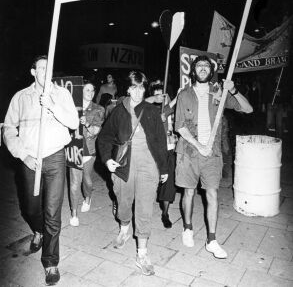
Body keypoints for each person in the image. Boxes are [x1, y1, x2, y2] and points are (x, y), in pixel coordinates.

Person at [3, 55, 79, 286]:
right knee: (30, 206)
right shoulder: (21, 97)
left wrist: (53, 106)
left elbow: (74, 123)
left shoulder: (62, 94)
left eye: (49, 68)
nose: (45, 71)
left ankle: (51, 262)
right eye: (41, 68)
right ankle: (37, 230)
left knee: (52, 212)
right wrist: (23, 155)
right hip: (29, 159)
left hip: (55, 157)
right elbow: (8, 128)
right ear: (33, 72)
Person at [175, 55, 253, 259]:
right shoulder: (184, 95)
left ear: (211, 71)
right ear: (193, 71)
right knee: (189, 193)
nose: (202, 68)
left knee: (212, 195)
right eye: (199, 65)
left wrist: (233, 89)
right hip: (189, 154)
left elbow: (248, 109)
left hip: (212, 154)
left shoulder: (219, 93)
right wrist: (199, 145)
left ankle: (212, 240)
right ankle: (188, 228)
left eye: (206, 66)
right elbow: (180, 126)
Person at [98, 71, 168, 276]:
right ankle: (124, 228)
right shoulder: (118, 111)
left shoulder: (151, 111)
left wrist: (163, 168)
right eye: (134, 87)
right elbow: (104, 138)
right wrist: (107, 159)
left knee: (145, 208)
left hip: (148, 165)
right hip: (123, 165)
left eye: (141, 87)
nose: (138, 92)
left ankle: (142, 253)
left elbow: (161, 142)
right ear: (127, 88)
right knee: (124, 203)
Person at [146, 80, 181, 229]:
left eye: (163, 95)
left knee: (168, 184)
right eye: (157, 96)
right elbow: (162, 115)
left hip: (170, 150)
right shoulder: (151, 112)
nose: (161, 98)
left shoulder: (173, 110)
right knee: (151, 182)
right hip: (154, 151)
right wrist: (175, 99)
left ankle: (165, 213)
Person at [69, 82, 105, 226]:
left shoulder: (98, 109)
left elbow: (96, 131)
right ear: (81, 91)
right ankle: (74, 214)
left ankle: (88, 198)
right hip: (73, 149)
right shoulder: (71, 107)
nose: (90, 93)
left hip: (89, 149)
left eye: (92, 90)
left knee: (87, 180)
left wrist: (87, 123)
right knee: (74, 183)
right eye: (87, 90)